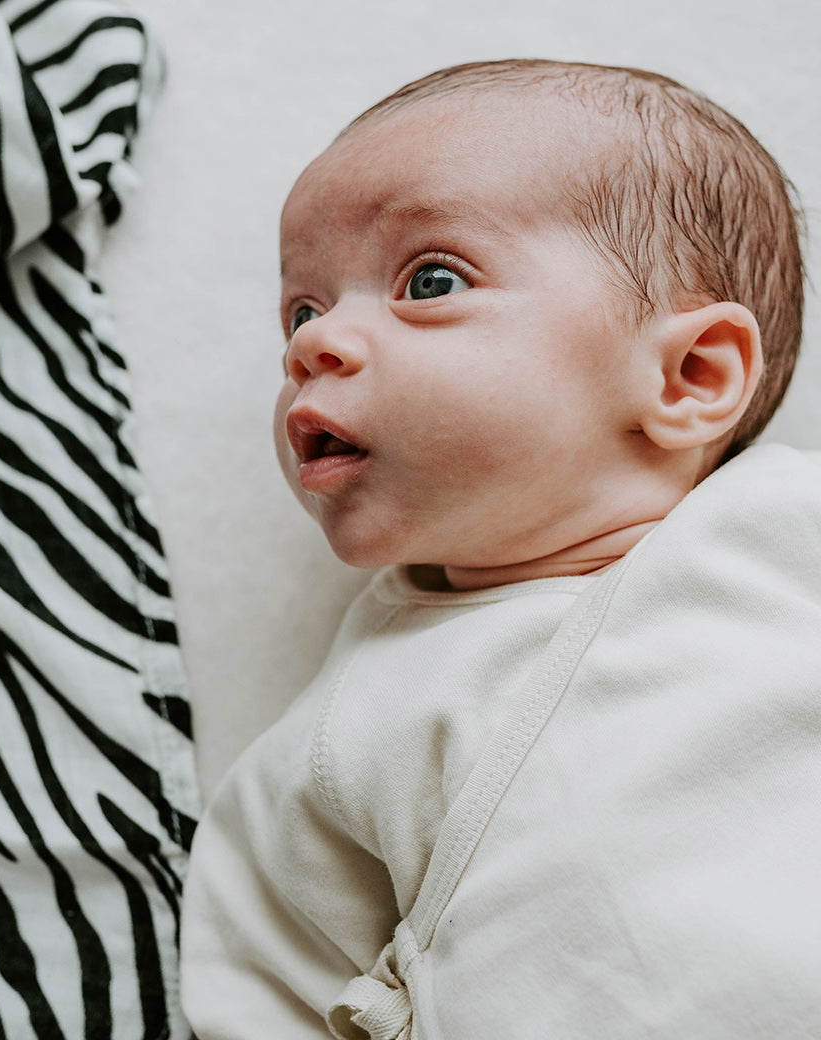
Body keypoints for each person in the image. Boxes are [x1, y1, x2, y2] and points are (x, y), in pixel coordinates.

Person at [179, 59, 821, 1039]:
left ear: (688, 374)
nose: (313, 344)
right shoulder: (344, 731)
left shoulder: (789, 528)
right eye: (301, 311)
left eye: (426, 281)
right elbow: (256, 986)